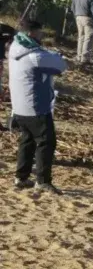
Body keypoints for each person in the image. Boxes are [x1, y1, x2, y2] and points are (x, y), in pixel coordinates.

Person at [8, 18, 68, 194]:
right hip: (35, 107)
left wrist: (52, 56)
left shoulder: (14, 48)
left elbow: (45, 58)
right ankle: (42, 181)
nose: (42, 35)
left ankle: (21, 177)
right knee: (46, 142)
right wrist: (58, 57)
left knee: (27, 141)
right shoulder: (35, 56)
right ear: (31, 33)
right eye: (39, 32)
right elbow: (60, 66)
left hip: (19, 107)